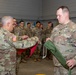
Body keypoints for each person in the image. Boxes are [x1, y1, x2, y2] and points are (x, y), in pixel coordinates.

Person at [46, 6, 76, 75]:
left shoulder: (73, 28)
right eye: (57, 15)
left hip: (68, 67)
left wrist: (75, 60)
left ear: (66, 15)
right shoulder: (56, 29)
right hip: (56, 65)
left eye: (59, 15)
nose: (57, 17)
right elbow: (52, 42)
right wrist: (49, 41)